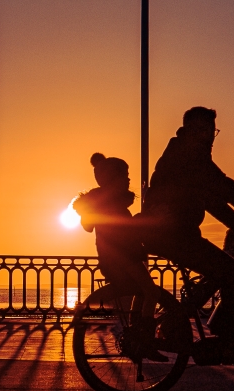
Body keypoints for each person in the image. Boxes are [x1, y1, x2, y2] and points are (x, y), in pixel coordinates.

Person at [140, 106, 234, 364]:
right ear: (187, 131)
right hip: (171, 234)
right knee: (231, 272)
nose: (207, 136)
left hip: (176, 233)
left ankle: (175, 323)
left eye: (211, 131)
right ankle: (228, 339)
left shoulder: (189, 155)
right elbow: (225, 187)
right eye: (201, 130)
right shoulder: (188, 157)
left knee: (221, 272)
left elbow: (211, 199)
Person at [72, 153, 167, 359]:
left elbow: (91, 226)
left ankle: (136, 334)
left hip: (121, 257)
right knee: (151, 292)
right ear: (113, 180)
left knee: (142, 292)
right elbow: (118, 231)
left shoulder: (108, 202)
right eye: (125, 176)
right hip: (122, 259)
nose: (129, 180)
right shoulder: (109, 203)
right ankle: (144, 340)